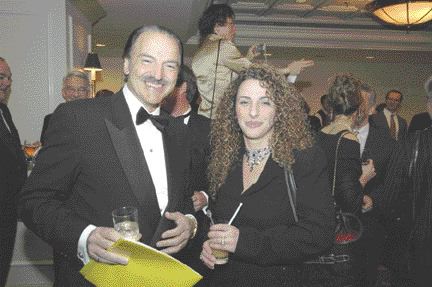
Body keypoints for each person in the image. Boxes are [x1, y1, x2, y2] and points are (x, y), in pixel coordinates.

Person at [18, 25, 198, 286]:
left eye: (170, 66)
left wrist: (190, 224)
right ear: (126, 65)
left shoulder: (180, 134)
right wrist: (85, 236)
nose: (158, 75)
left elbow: (186, 202)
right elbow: (33, 201)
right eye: (147, 61)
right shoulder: (79, 119)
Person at [198, 64, 334, 286]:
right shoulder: (223, 157)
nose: (253, 112)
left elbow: (319, 234)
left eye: (265, 102)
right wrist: (208, 243)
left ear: (279, 109)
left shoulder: (303, 158)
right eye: (244, 102)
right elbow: (216, 217)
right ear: (233, 109)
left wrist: (244, 242)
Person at [192, 4, 314, 119]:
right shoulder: (223, 46)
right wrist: (288, 70)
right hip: (220, 117)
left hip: (204, 116)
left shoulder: (202, 49)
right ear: (217, 27)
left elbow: (222, 73)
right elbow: (255, 71)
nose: (234, 29)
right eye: (231, 24)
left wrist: (248, 58)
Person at [315, 74, 376, 286]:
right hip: (340, 235)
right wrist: (365, 178)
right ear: (358, 106)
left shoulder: (319, 134)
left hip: (317, 225)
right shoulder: (348, 139)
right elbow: (349, 199)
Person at [352, 83, 400, 286]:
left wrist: (374, 199)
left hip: (370, 224)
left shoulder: (386, 143)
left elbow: (394, 182)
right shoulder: (331, 137)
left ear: (372, 109)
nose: (353, 108)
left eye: (359, 104)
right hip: (335, 225)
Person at [162, 64, 210, 212]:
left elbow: (222, 177)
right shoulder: (148, 123)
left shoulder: (208, 129)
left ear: (183, 86)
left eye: (166, 82)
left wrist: (206, 197)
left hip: (195, 222)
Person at [0, 57, 27, 287]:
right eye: (1, 77)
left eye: (9, 78)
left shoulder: (4, 112)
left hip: (8, 210)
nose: (7, 83)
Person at [40, 70, 91, 144]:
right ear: (63, 93)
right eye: (71, 89)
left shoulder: (96, 120)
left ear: (88, 93)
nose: (76, 94)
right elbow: (47, 149)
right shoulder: (50, 120)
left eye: (81, 90)